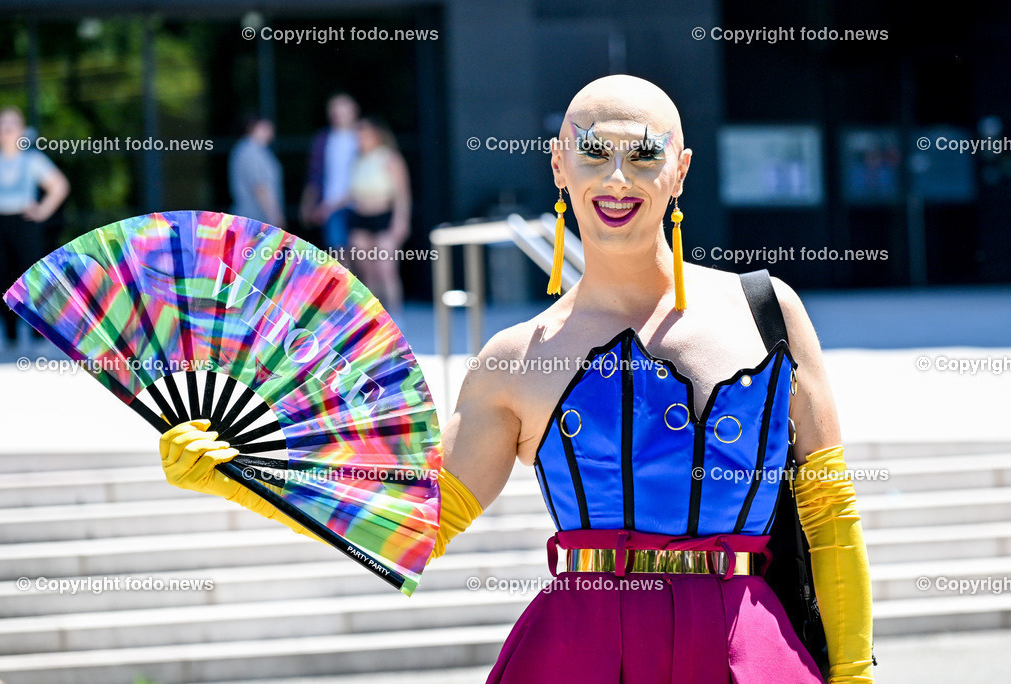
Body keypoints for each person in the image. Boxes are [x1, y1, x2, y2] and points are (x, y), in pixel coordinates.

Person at [158, 75, 873, 682]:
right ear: (560, 166)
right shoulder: (513, 358)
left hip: (748, 652)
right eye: (593, 153)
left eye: (643, 155)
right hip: (582, 655)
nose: (616, 178)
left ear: (680, 170)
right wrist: (243, 477)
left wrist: (855, 674)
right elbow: (423, 523)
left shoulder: (768, 311)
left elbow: (831, 520)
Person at [0, 106, 69, 348]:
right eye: (1, 126)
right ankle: (9, 334)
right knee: (2, 276)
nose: (5, 131)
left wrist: (42, 210)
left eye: (11, 125)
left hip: (26, 224)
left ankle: (38, 333)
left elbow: (59, 185)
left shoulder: (32, 159)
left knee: (32, 278)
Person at [347, 117, 411, 318]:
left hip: (383, 217)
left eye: (364, 133)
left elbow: (402, 194)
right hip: (361, 218)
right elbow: (351, 193)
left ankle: (396, 313)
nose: (360, 138)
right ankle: (374, 315)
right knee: (366, 269)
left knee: (385, 268)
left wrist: (401, 221)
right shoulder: (357, 160)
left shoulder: (389, 158)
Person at [301, 93, 360, 255]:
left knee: (366, 259)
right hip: (331, 207)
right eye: (335, 112)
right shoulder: (323, 139)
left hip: (363, 206)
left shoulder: (364, 136)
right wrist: (308, 203)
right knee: (340, 257)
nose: (338, 116)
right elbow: (314, 174)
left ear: (354, 111)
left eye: (343, 111)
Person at [228, 116, 285, 228]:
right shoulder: (250, 151)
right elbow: (259, 188)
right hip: (253, 223)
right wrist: (275, 218)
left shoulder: (257, 150)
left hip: (254, 221)